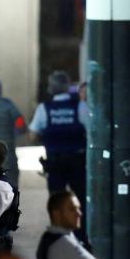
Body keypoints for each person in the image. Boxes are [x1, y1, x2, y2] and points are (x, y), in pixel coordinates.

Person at [28, 70, 90, 204]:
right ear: (68, 87)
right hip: (78, 162)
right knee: (81, 200)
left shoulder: (44, 108)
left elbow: (33, 136)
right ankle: (82, 224)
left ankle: (59, 225)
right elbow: (92, 131)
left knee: (57, 202)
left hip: (55, 163)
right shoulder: (80, 106)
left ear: (50, 88)